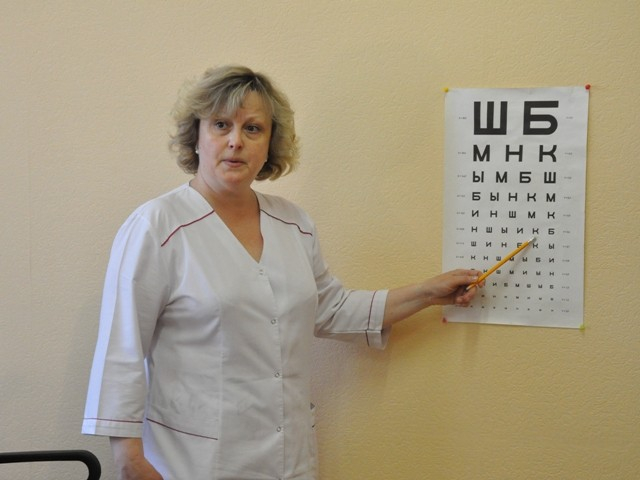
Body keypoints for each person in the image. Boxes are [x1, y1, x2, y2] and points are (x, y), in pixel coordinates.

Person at [82, 65, 480, 480]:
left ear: (270, 144)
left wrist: (428, 293)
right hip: (192, 461)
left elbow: (331, 308)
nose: (236, 141)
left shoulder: (293, 224)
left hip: (288, 458)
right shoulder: (157, 226)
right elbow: (121, 347)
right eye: (221, 125)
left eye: (253, 128)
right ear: (196, 136)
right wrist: (129, 459)